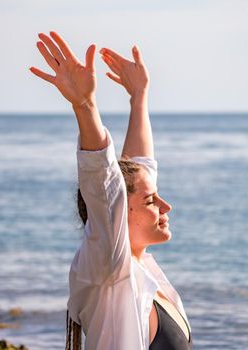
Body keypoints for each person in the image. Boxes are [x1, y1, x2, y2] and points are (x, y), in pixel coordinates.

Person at [30, 31, 192, 350]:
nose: (166, 206)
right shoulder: (109, 268)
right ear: (118, 213)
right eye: (150, 200)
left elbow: (140, 167)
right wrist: (85, 105)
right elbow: (105, 183)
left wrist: (139, 97)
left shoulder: (145, 272)